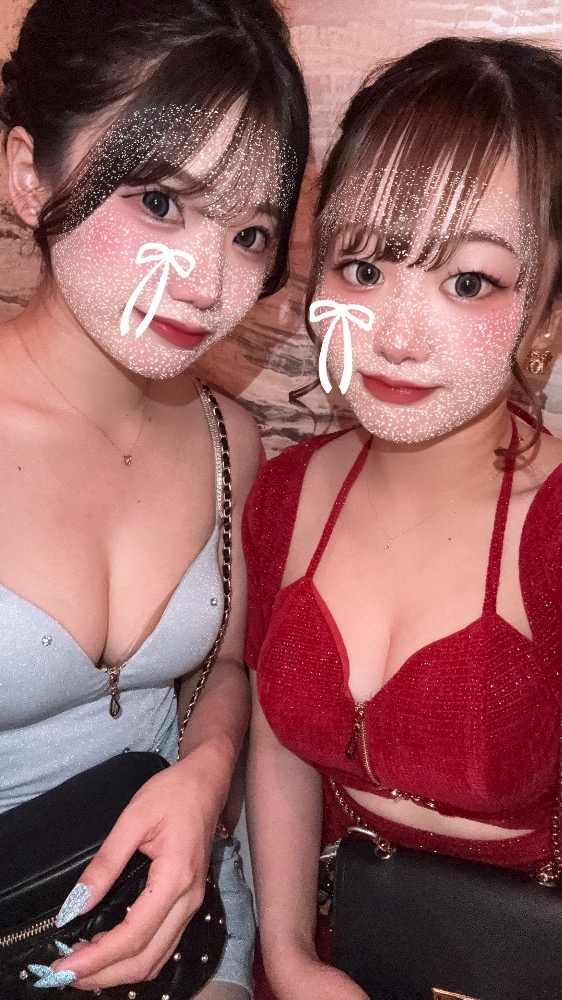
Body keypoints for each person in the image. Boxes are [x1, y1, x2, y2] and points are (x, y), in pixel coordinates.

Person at [243, 36, 562, 1000]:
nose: (396, 336)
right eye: (365, 266)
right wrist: (290, 956)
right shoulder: (286, 492)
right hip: (330, 951)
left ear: (549, 315)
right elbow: (279, 744)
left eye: (468, 282)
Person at [0, 0, 308, 994]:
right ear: (27, 174)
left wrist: (206, 776)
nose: (208, 283)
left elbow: (222, 665)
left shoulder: (229, 440)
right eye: (162, 203)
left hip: (193, 920)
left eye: (250, 231)